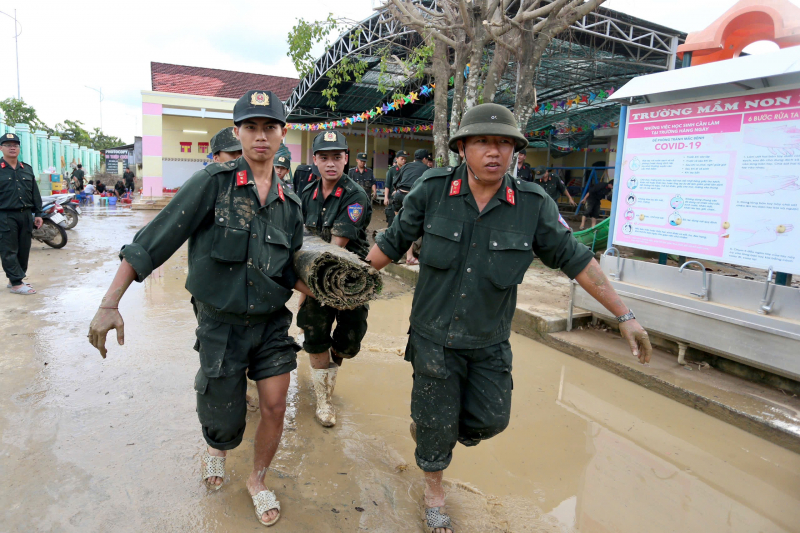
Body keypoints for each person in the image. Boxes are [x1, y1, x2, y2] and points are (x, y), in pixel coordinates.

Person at [363, 103, 652, 533]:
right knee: (437, 423)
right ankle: (434, 491)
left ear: (514, 150)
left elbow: (576, 260)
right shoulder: (433, 190)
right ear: (462, 147)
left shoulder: (532, 204)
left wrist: (624, 315)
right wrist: (350, 286)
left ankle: (432, 430)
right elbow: (391, 242)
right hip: (433, 336)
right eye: (483, 141)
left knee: (491, 420)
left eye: (504, 143)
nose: (494, 151)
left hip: (489, 341)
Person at [87, 90, 314, 527]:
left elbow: (288, 269)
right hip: (221, 325)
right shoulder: (213, 183)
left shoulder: (291, 202)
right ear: (237, 132)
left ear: (283, 133)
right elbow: (155, 239)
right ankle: (216, 448)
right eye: (251, 127)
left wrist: (332, 290)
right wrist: (109, 302)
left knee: (274, 405)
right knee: (223, 418)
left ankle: (257, 480)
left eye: (269, 127)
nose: (261, 136)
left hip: (271, 323)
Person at [297, 130, 372, 427]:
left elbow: (336, 248)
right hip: (315, 280)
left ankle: (330, 377)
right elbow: (301, 241)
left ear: (345, 159)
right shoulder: (307, 193)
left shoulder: (355, 195)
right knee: (315, 334)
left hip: (350, 281)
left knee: (348, 341)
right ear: (315, 160)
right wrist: (304, 290)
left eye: (337, 157)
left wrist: (308, 287)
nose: (331, 163)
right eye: (324, 157)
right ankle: (324, 398)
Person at [0, 133, 43, 295]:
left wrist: (38, 213)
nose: (12, 148)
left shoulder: (27, 169)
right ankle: (17, 283)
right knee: (8, 249)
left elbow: (35, 193)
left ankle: (15, 279)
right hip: (5, 215)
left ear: (19, 148)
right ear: (1, 148)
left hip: (25, 215)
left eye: (15, 145)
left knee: (24, 249)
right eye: (8, 145)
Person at [392, 149, 433, 264]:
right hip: (411, 198)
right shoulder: (427, 169)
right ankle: (409, 257)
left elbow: (395, 182)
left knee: (397, 225)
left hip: (398, 196)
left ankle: (393, 254)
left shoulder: (406, 166)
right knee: (409, 227)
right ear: (424, 159)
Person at [384, 150, 407, 226]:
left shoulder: (407, 170)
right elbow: (387, 185)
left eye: (405, 159)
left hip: (403, 200)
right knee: (391, 222)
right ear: (396, 159)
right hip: (392, 199)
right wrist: (386, 197)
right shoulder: (392, 170)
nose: (404, 161)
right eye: (402, 159)